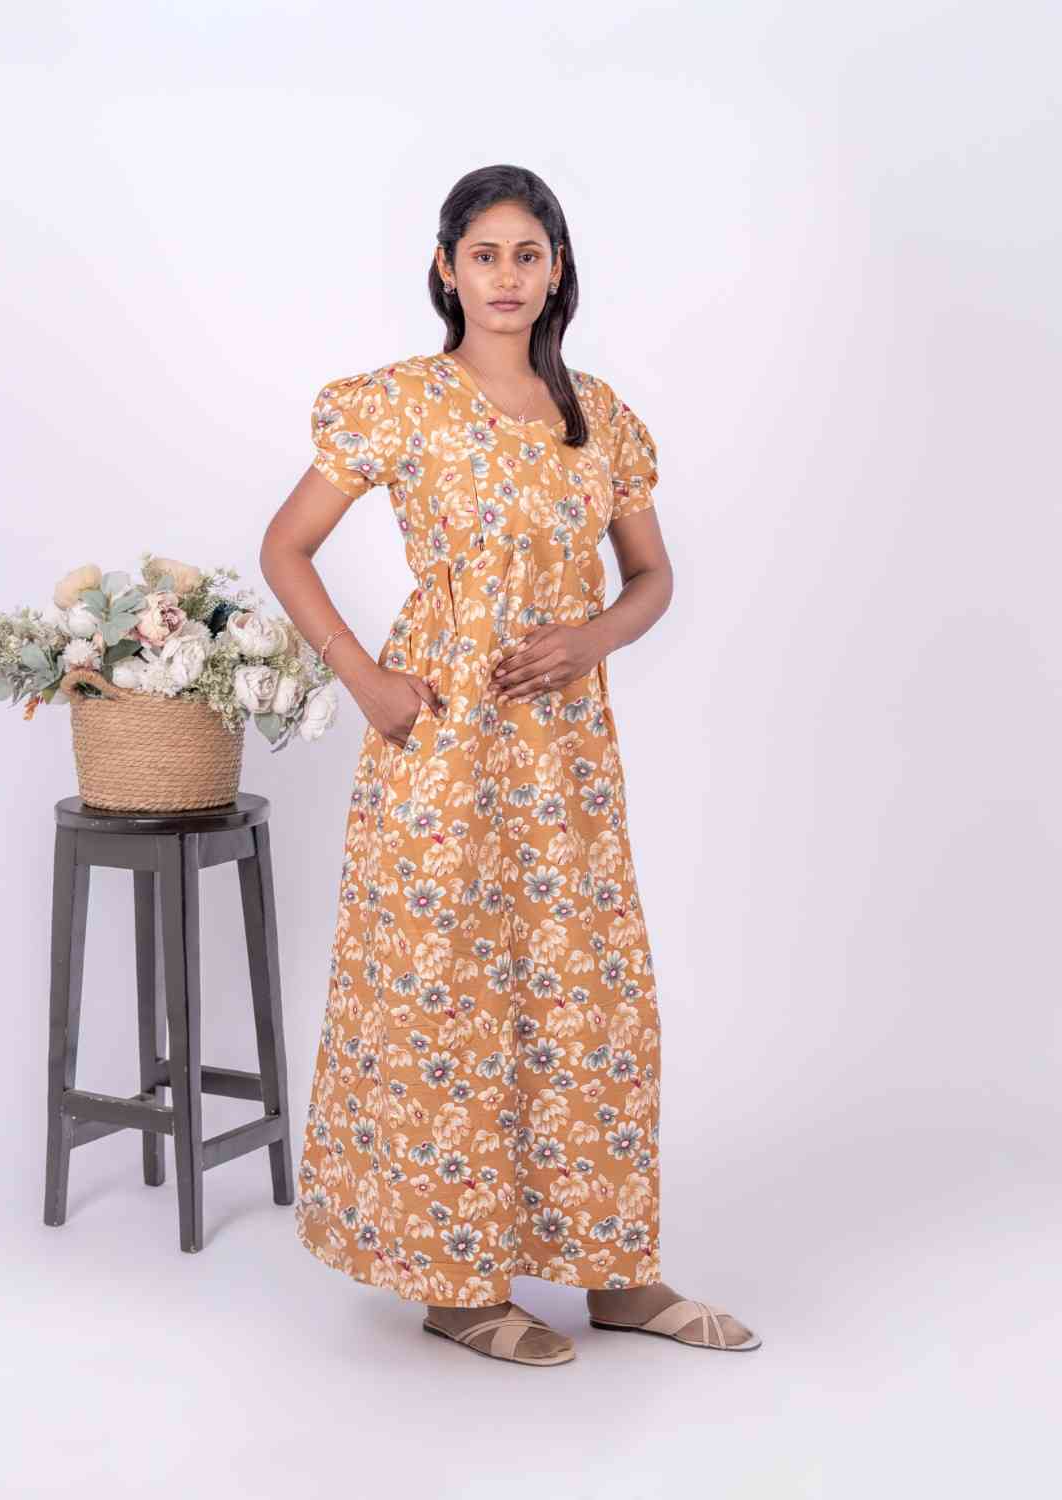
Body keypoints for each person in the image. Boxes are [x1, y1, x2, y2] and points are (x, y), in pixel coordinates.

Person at [260, 164, 761, 1367]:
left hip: (563, 751)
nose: (505, 276)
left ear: (556, 270)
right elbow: (285, 548)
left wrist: (591, 638)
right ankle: (455, 1282)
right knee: (448, 991)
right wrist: (366, 680)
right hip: (439, 740)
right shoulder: (398, 402)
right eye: (482, 254)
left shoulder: (598, 416)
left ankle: (617, 1272)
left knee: (587, 992)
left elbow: (652, 577)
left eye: (527, 254)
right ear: (446, 268)